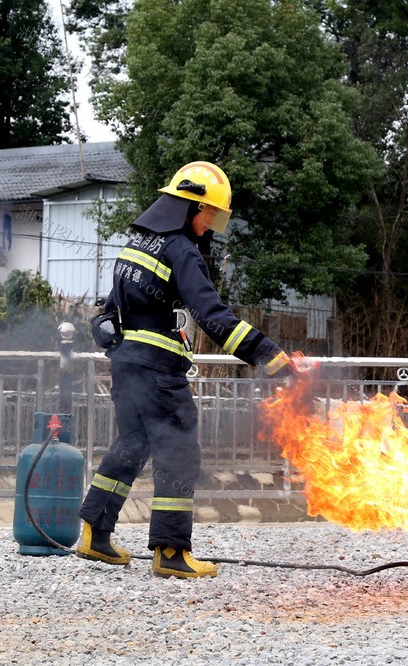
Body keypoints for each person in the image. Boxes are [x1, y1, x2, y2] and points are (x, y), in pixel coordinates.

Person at [77, 161, 293, 578]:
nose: (211, 223)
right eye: (209, 213)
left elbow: (109, 312)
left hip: (125, 364)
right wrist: (268, 356)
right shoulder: (181, 250)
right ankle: (171, 552)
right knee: (179, 452)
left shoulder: (137, 243)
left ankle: (93, 532)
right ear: (190, 207)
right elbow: (212, 315)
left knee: (133, 443)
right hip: (158, 372)